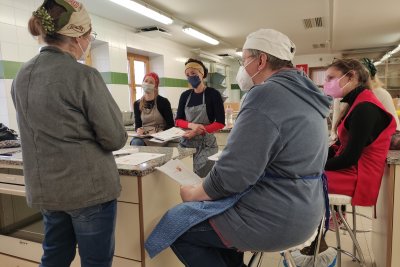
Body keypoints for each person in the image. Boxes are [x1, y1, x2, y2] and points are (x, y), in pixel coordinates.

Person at [145, 29, 331, 267]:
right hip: (307, 209)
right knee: (216, 224)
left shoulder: (265, 94)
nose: (243, 68)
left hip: (277, 215)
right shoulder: (306, 94)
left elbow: (233, 176)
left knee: (177, 226)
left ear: (261, 60)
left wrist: (193, 194)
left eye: (244, 61)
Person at [11, 1, 127, 266]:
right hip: (89, 191)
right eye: (89, 36)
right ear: (78, 36)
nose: (88, 42)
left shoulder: (22, 75)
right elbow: (115, 137)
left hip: (48, 191)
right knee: (95, 262)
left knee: (54, 257)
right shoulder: (84, 75)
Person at [300, 58, 396, 261]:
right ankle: (313, 238)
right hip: (353, 170)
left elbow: (350, 158)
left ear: (351, 77)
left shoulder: (365, 108)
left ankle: (310, 238)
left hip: (359, 177)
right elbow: (342, 150)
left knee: (302, 179)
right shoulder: (357, 102)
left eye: (331, 78)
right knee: (303, 175)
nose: (326, 83)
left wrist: (313, 164)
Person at [175, 58, 225, 177]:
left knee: (199, 173)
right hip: (186, 142)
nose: (190, 77)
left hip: (206, 143)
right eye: (187, 75)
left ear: (202, 74)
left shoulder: (213, 94)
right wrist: (192, 126)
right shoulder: (185, 95)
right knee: (181, 172)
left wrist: (199, 130)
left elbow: (220, 123)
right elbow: (178, 121)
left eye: (193, 73)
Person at [130, 72, 174, 146]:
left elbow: (171, 125)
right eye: (146, 81)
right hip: (144, 136)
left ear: (155, 86)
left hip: (159, 136)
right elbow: (138, 124)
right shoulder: (137, 104)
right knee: (136, 142)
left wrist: (161, 133)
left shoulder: (163, 102)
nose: (147, 84)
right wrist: (138, 130)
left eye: (151, 82)